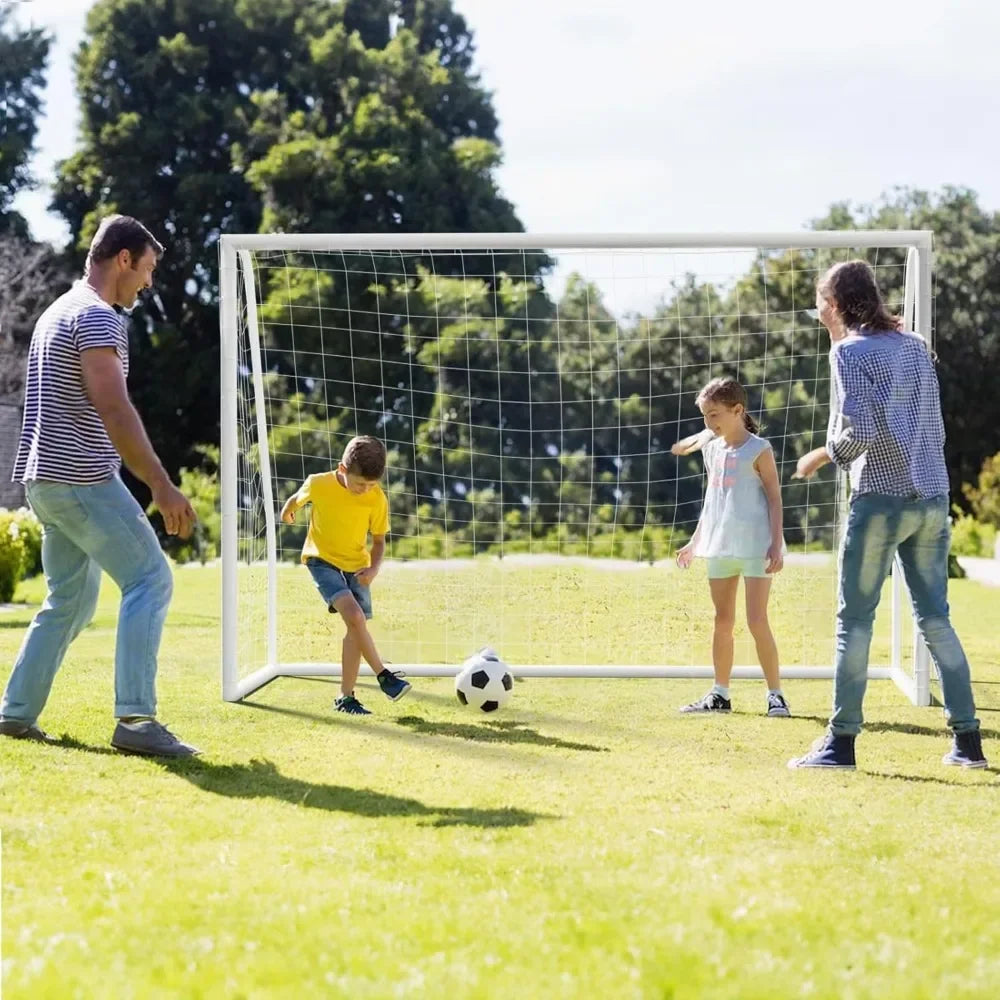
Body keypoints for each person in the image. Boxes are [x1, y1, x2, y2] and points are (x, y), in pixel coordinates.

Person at [0, 215, 200, 757]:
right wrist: (161, 485)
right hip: (81, 480)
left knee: (71, 599)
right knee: (150, 579)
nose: (149, 283)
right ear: (124, 259)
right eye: (148, 269)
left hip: (43, 482)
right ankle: (136, 721)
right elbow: (114, 407)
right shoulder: (96, 316)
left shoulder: (58, 311)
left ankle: (14, 715)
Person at [788, 259, 986, 770]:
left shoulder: (848, 353)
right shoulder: (916, 347)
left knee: (854, 623)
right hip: (932, 499)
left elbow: (858, 433)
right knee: (936, 619)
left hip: (880, 499)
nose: (817, 311)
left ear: (833, 304)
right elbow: (932, 426)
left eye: (819, 302)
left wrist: (825, 451)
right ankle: (968, 744)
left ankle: (840, 743)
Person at [673, 376, 789, 717]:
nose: (709, 423)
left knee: (757, 621)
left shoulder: (759, 449)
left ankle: (776, 696)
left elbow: (775, 498)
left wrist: (776, 545)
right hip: (720, 548)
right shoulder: (712, 449)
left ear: (738, 410)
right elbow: (713, 501)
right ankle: (720, 695)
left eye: (714, 415)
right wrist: (695, 542)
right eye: (705, 416)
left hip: (756, 548)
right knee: (722, 621)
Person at [280, 435, 411, 715]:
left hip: (357, 566)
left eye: (371, 484)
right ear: (342, 469)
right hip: (321, 560)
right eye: (360, 483)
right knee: (355, 617)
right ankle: (384, 674)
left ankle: (345, 697)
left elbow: (378, 541)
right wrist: (288, 511)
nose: (365, 489)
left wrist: (374, 569)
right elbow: (297, 498)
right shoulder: (319, 483)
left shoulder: (376, 499)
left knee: (355, 628)